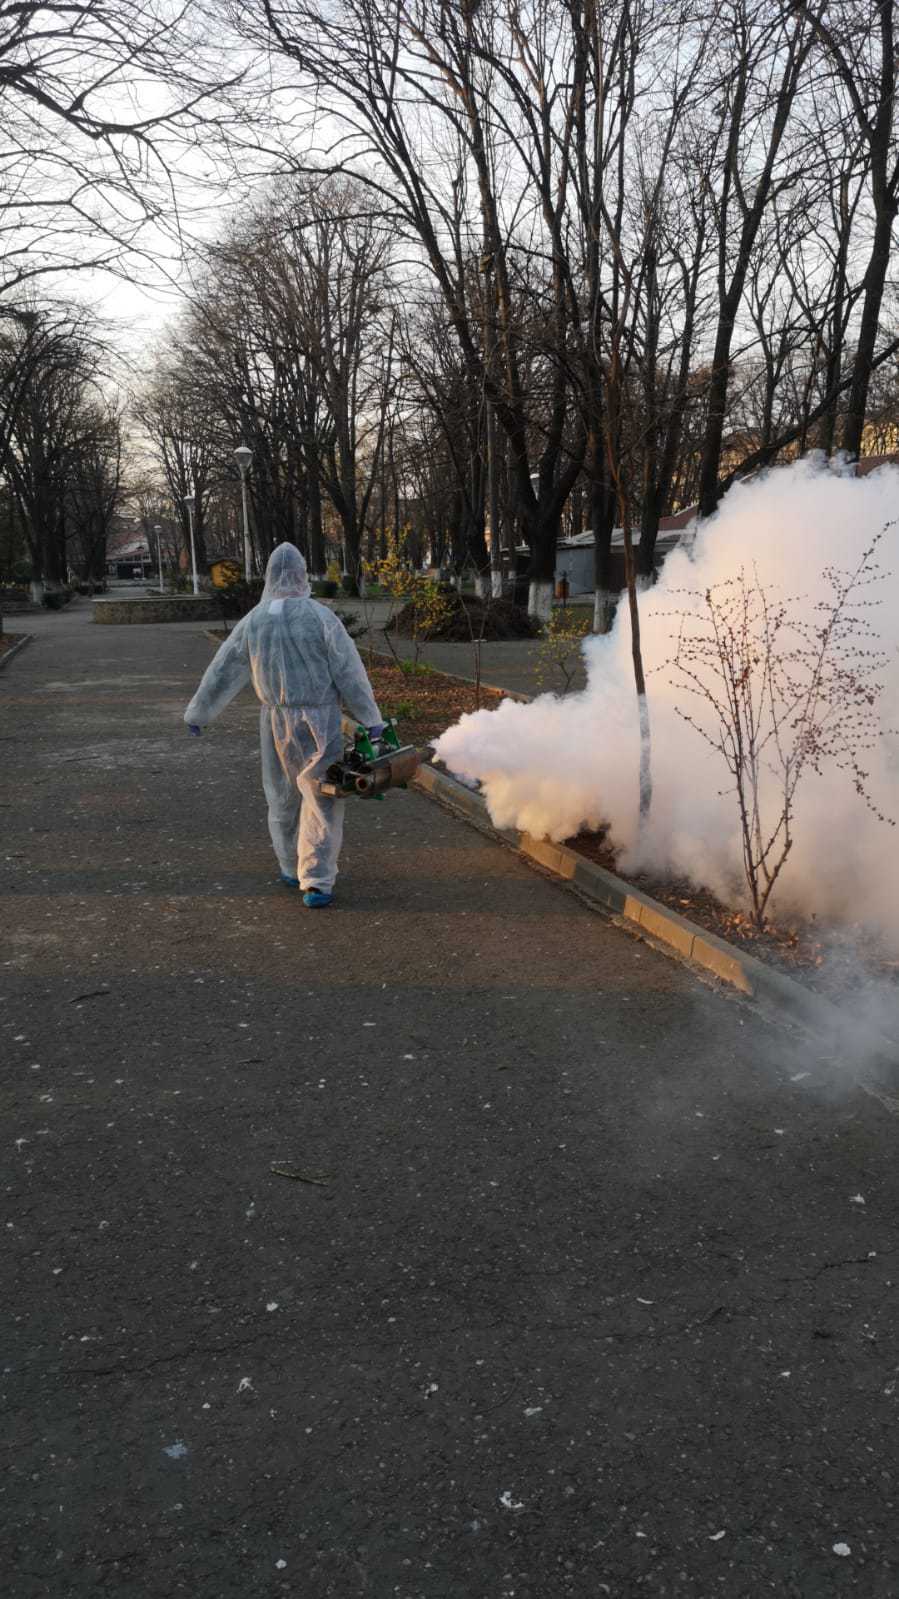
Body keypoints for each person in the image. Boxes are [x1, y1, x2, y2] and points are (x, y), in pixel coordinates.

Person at [183, 543, 383, 907]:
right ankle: (316, 880)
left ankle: (290, 866)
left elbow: (224, 668)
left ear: (269, 576)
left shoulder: (255, 620)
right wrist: (371, 718)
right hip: (319, 721)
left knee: (281, 796)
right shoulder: (321, 618)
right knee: (322, 796)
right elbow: (349, 672)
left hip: (274, 720)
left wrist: (199, 713)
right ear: (303, 575)